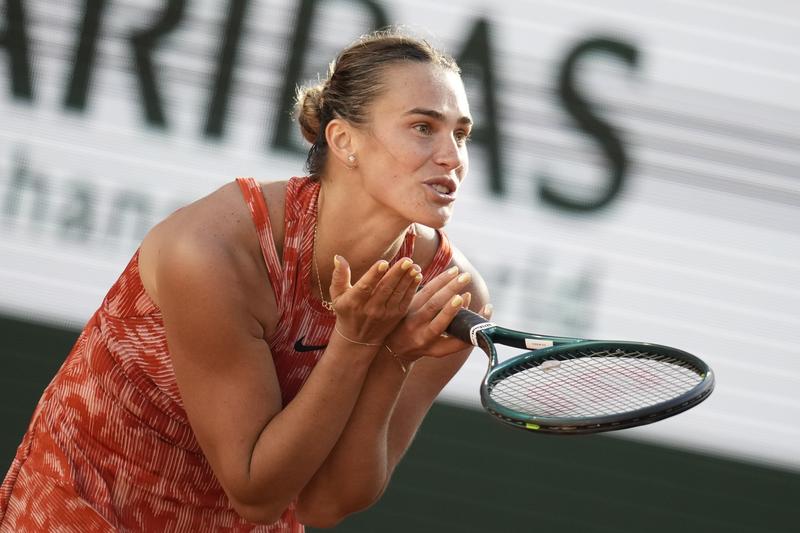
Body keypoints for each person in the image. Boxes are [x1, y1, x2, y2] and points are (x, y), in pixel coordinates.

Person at [0, 28, 491, 531]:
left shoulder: (448, 292)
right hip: (83, 510)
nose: (452, 156)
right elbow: (255, 491)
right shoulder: (212, 252)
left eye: (461, 133)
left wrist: (392, 359)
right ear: (344, 141)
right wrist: (356, 340)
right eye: (423, 127)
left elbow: (325, 505)